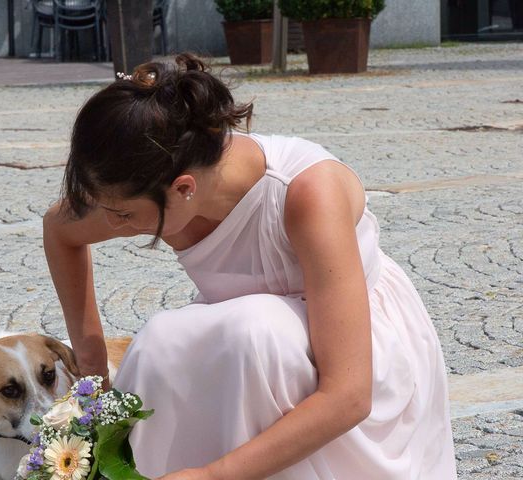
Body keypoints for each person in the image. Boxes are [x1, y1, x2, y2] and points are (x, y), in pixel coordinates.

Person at [43, 53, 457, 479]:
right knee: (162, 342)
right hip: (250, 351)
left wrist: (212, 475)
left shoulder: (309, 195)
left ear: (184, 188)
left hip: (353, 356)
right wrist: (92, 373)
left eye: (124, 216)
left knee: (255, 332)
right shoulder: (157, 181)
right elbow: (61, 229)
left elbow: (349, 395)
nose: (113, 224)